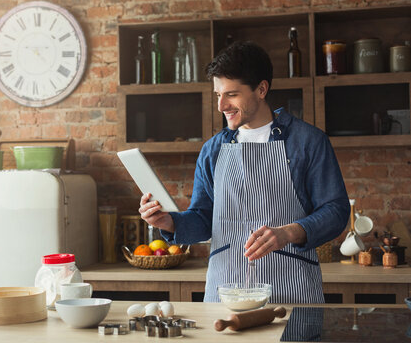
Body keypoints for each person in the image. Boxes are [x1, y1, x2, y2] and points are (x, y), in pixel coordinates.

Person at [139, 41, 350, 304]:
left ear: (261, 89)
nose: (221, 106)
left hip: (292, 293)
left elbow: (336, 211)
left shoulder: (308, 142)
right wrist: (169, 223)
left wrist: (288, 233)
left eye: (232, 94)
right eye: (218, 95)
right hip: (224, 293)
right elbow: (204, 219)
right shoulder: (212, 150)